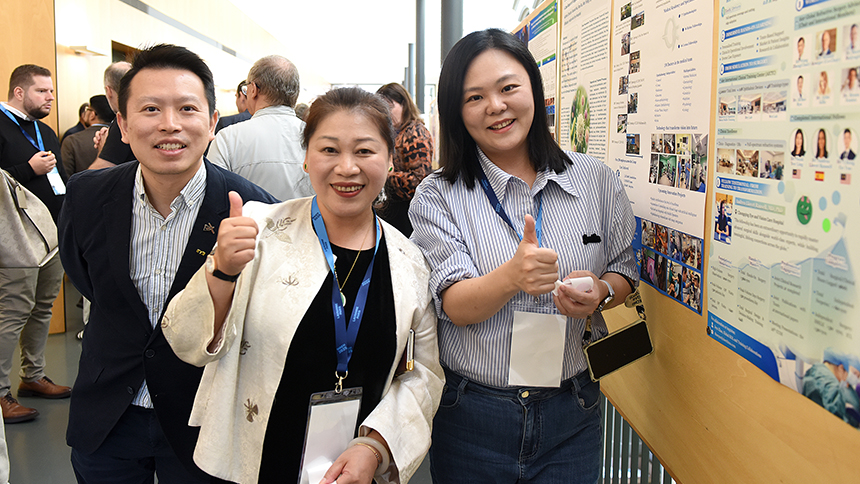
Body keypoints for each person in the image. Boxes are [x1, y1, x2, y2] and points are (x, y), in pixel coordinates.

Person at [162, 86, 443, 483]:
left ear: (389, 158)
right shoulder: (259, 231)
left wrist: (375, 446)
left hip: (351, 468)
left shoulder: (408, 261)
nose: (347, 168)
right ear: (306, 158)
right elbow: (184, 341)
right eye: (329, 150)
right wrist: (222, 271)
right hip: (258, 459)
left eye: (364, 151)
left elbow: (422, 374)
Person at [408, 29, 637, 483]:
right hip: (473, 413)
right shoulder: (437, 195)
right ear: (456, 110)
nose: (496, 106)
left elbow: (624, 271)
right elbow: (453, 305)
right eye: (475, 97)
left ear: (534, 88)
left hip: (572, 410)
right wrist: (511, 276)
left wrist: (603, 292)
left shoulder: (596, 180)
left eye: (509, 87)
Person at [58, 44, 276, 483]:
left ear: (213, 122)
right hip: (108, 416)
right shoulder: (86, 195)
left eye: (188, 108)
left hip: (205, 417)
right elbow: (88, 280)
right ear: (122, 122)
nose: (169, 125)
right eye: (150, 108)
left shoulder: (255, 208)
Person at [0, 64, 71, 424]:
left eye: (51, 91)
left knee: (43, 308)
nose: (50, 98)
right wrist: (28, 169)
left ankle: (33, 376)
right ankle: (0, 394)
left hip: (53, 234)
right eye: (42, 91)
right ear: (18, 92)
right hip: (15, 237)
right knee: (11, 314)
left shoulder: (44, 130)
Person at [208, 55, 313, 201]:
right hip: (307, 223)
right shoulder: (315, 138)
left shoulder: (228, 138)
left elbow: (213, 195)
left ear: (253, 90)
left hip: (246, 223)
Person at [375, 83, 434, 236]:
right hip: (395, 209)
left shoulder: (415, 133)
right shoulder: (395, 132)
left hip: (408, 212)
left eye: (390, 106)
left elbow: (420, 181)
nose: (386, 113)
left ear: (404, 104)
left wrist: (386, 175)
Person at [88, 61, 134, 170]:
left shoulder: (124, 121)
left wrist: (103, 150)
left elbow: (97, 175)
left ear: (109, 91)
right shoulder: (142, 114)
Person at [61, 94, 114, 176]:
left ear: (92, 115)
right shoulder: (123, 139)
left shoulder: (72, 141)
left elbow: (65, 176)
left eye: (87, 109)